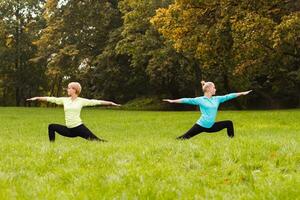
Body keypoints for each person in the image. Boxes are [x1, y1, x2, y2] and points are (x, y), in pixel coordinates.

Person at [27, 82, 121, 142]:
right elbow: (52, 99)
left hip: (79, 128)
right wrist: (37, 98)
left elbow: (95, 102)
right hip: (69, 130)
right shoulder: (65, 100)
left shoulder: (81, 101)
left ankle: (113, 143)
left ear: (74, 90)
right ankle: (52, 147)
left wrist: (111, 103)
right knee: (51, 126)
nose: (67, 90)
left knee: (97, 141)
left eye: (69, 88)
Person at [163, 81, 252, 139]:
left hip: (211, 126)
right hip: (201, 125)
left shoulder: (217, 99)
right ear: (209, 89)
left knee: (229, 123)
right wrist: (172, 101)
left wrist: (242, 93)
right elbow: (186, 100)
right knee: (184, 138)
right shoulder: (200, 100)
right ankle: (171, 141)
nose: (215, 89)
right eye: (214, 87)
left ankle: (232, 140)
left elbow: (229, 96)